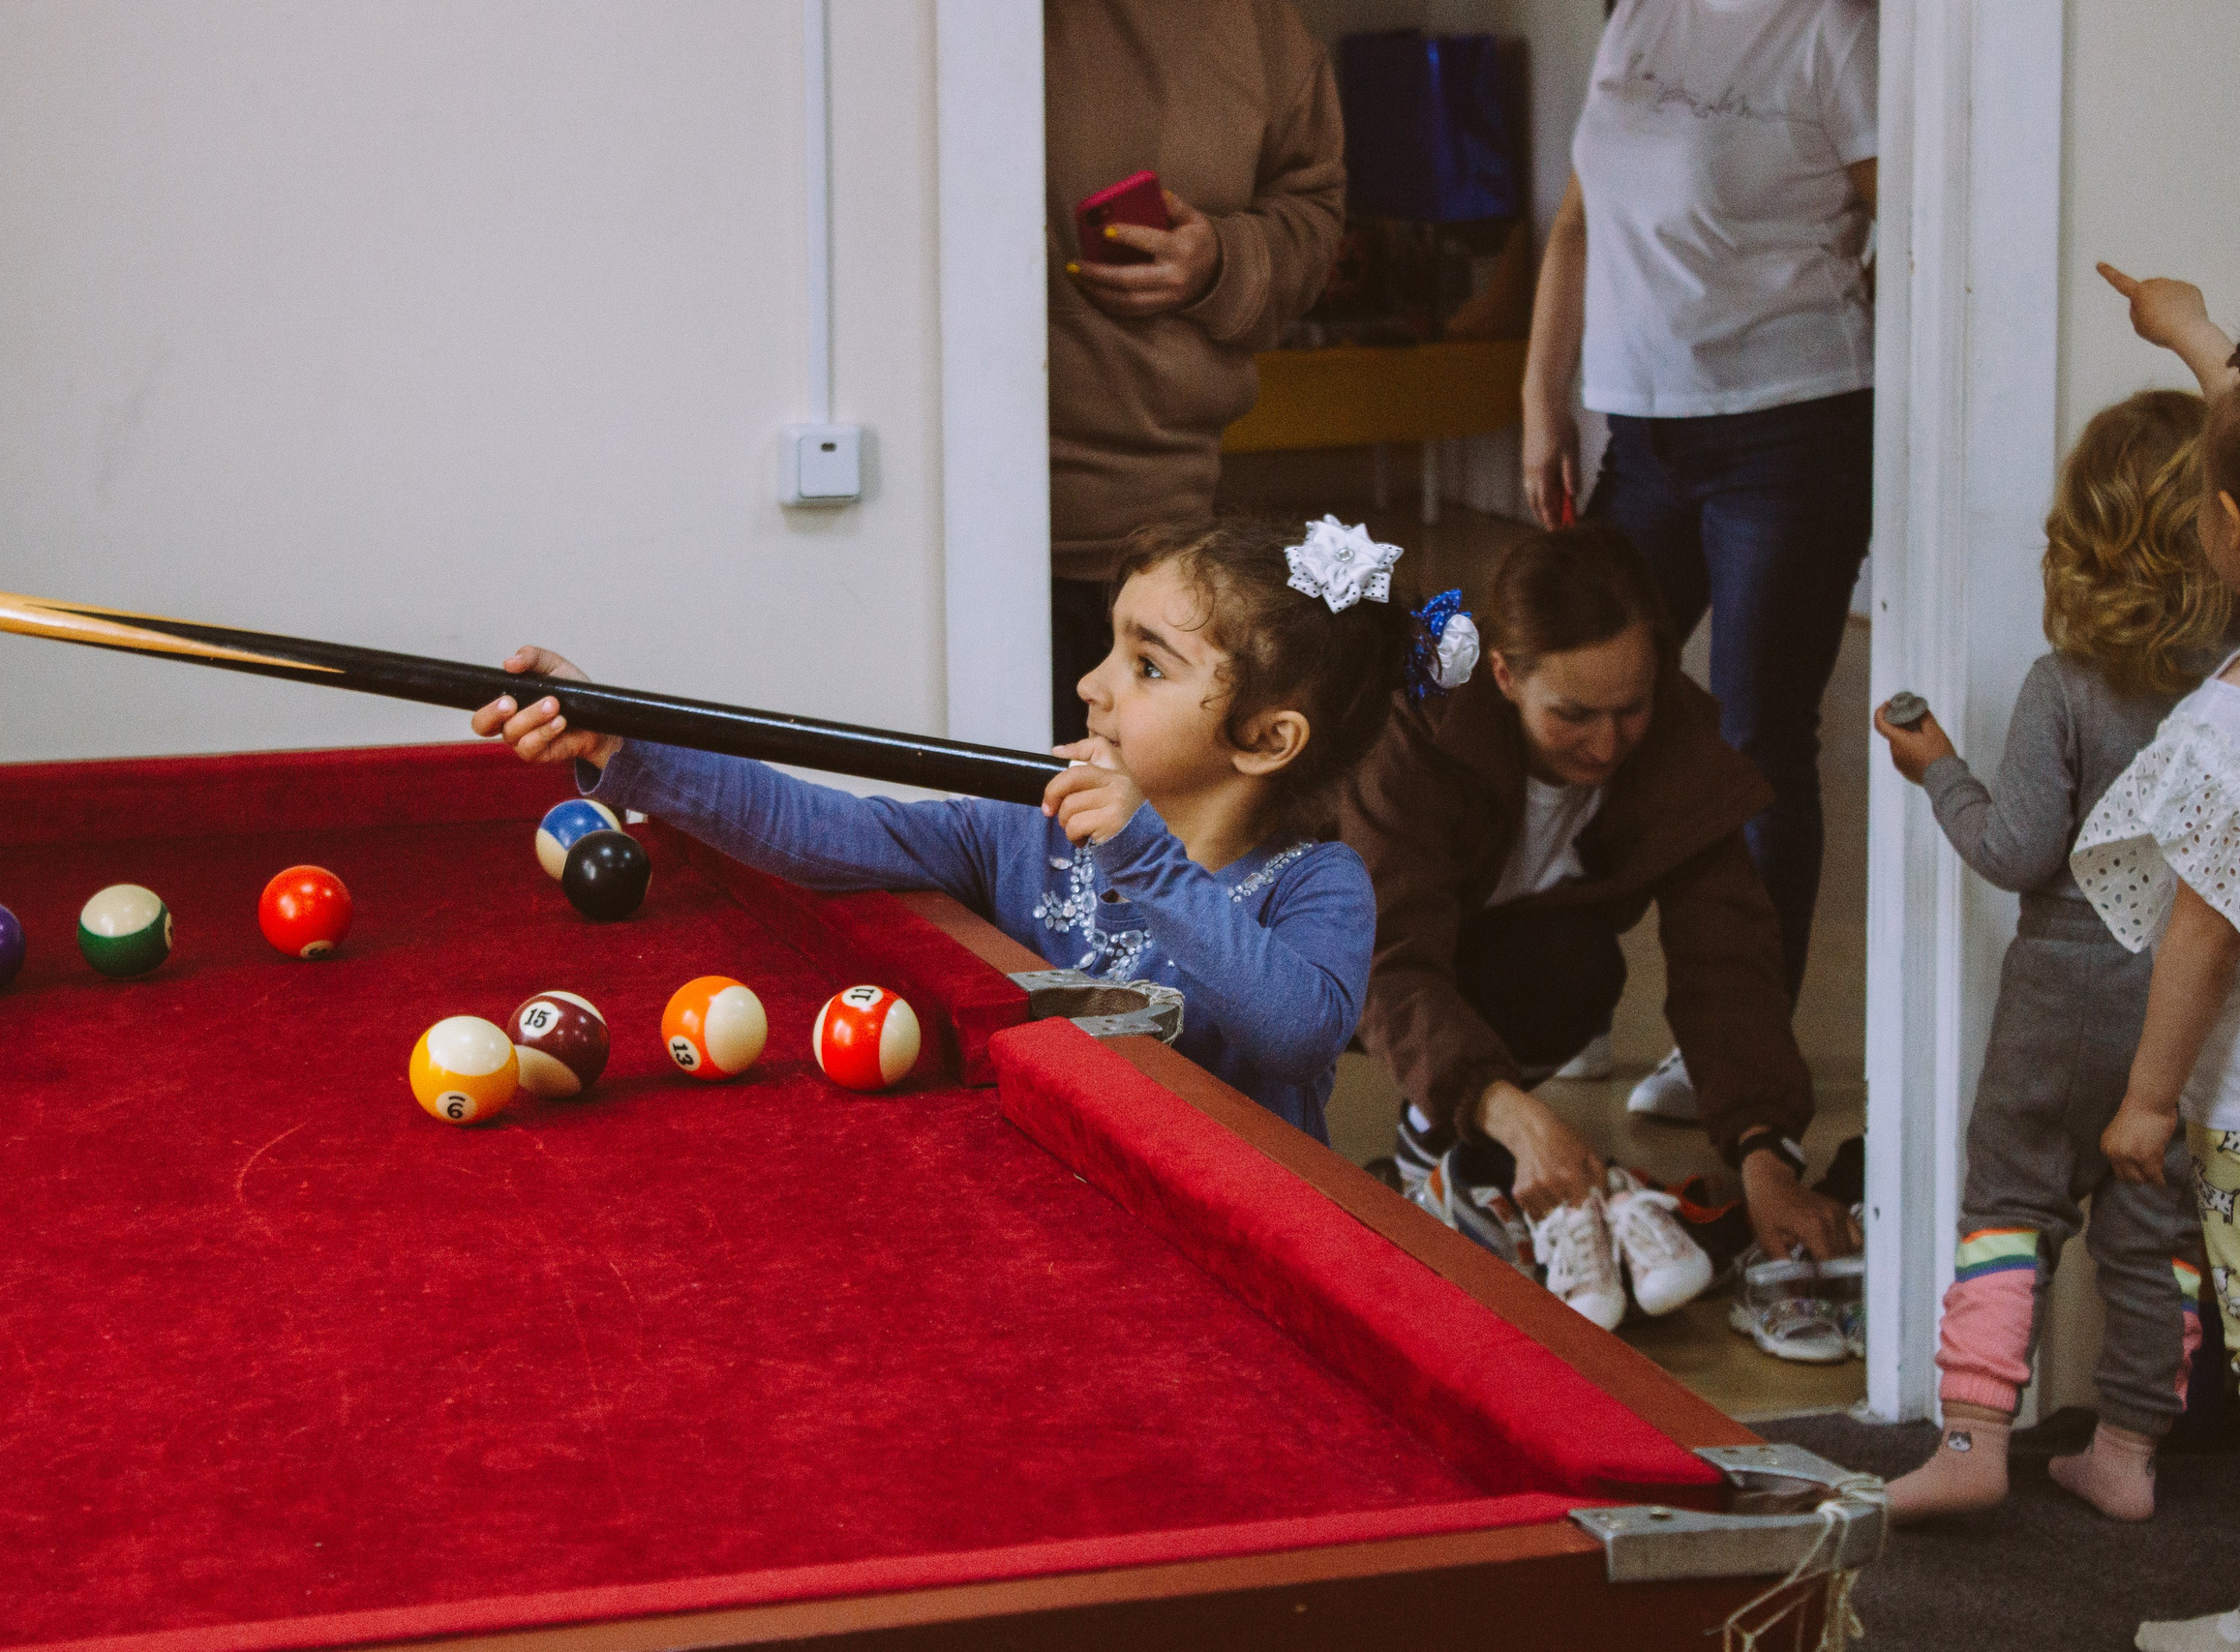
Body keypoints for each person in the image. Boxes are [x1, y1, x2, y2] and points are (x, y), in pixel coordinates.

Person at [474, 516, 1438, 1142]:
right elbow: (819, 830)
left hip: (1251, 1233)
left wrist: (1142, 853)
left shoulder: (1315, 883)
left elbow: (1296, 1036)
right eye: (1110, 646)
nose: (1092, 683)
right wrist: (627, 736)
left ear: (1266, 741)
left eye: (1147, 668)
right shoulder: (1028, 828)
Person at [1337, 523, 1860, 1332]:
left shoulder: (1677, 743)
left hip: (1484, 950)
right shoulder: (1418, 726)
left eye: (1633, 706)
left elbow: (1727, 958)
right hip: (1307, 947)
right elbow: (1385, 953)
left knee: (1577, 968)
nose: (1609, 742)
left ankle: (1441, 1144)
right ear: (1505, 675)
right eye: (1575, 713)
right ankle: (1446, 1134)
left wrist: (1766, 1151)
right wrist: (1513, 1113)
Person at [1521, 0, 1879, 1123]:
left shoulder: (1832, 32)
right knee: (1579, 708)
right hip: (1642, 433)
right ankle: (1559, 996)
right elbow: (1578, 223)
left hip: (1791, 426)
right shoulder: (1638, 19)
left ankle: (1737, 1049)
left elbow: (1911, 236)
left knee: (1754, 734)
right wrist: (1541, 399)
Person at [1875, 389, 2220, 1526]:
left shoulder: (2064, 685)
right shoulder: (2227, 684)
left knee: (2010, 1205)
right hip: (2178, 1013)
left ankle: (1974, 1439)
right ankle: (2124, 1451)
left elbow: (2017, 852)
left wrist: (1936, 767)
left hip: (2058, 995)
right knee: (2151, 1226)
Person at [2074, 271, 2240, 1652]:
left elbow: (2205, 920)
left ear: (2229, 527)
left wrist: (2148, 1096)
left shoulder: (2231, 729)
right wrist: (2194, 339)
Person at [1045, 0, 1347, 746]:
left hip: (1157, 524)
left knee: (1124, 834)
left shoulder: (1263, 30)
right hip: (937, 511)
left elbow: (1315, 213)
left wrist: (1221, 259)